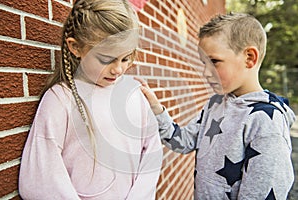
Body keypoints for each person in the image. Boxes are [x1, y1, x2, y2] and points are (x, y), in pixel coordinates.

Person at [136, 13, 296, 199]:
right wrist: (157, 110)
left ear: (249, 58)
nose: (205, 72)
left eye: (214, 62)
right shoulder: (215, 103)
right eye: (203, 63)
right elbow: (183, 142)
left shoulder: (266, 120)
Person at [19, 0, 163, 199]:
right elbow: (40, 175)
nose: (118, 69)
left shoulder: (133, 94)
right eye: (106, 59)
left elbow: (152, 151)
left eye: (125, 58)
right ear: (76, 47)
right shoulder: (61, 99)